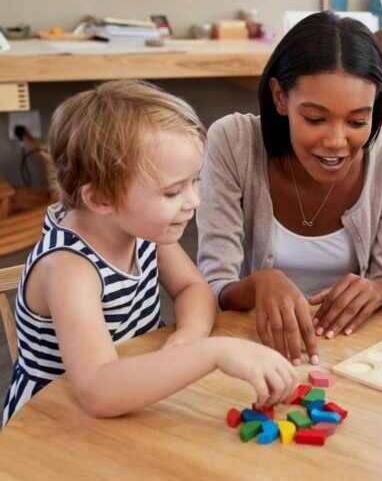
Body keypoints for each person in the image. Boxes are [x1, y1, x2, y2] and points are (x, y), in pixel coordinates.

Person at [2, 80, 296, 427]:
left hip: (130, 400)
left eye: (195, 181)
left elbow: (192, 288)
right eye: (172, 192)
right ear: (101, 199)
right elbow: (98, 390)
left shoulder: (141, 228)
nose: (194, 201)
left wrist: (188, 337)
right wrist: (212, 352)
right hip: (53, 425)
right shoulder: (69, 268)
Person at [197, 12, 382, 366]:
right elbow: (212, 285)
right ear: (279, 97)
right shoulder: (234, 141)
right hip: (256, 349)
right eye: (315, 119)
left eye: (357, 121)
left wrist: (381, 288)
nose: (336, 141)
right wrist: (258, 284)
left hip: (356, 353)